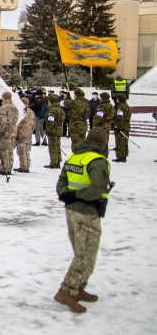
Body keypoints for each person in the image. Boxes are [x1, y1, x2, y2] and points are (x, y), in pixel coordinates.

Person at [53, 127, 112, 314]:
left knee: (81, 251)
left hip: (71, 210)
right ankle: (66, 290)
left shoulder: (74, 157)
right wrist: (78, 196)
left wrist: (67, 195)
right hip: (87, 211)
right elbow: (96, 188)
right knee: (86, 254)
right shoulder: (97, 161)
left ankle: (77, 287)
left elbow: (61, 183)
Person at [0, 92, 19, 176]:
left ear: (4, 98)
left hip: (5, 132)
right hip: (13, 131)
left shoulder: (3, 108)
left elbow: (2, 121)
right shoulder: (15, 108)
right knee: (10, 150)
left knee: (4, 150)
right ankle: (9, 168)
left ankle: (4, 168)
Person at [14, 96, 36, 173]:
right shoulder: (31, 111)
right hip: (29, 134)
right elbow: (34, 124)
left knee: (21, 151)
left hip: (21, 134)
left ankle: (23, 166)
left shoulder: (21, 111)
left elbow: (18, 123)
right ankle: (27, 165)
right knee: (27, 151)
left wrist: (15, 132)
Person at [44, 96, 66, 169]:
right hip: (59, 129)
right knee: (57, 146)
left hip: (53, 130)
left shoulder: (52, 110)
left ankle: (53, 162)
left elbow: (50, 121)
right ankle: (58, 161)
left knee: (52, 147)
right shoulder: (60, 109)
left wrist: (48, 130)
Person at [112, 94, 131, 162]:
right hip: (126, 125)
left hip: (121, 125)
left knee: (120, 141)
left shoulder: (120, 107)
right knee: (125, 141)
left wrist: (118, 126)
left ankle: (120, 156)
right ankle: (125, 154)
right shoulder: (126, 105)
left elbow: (119, 117)